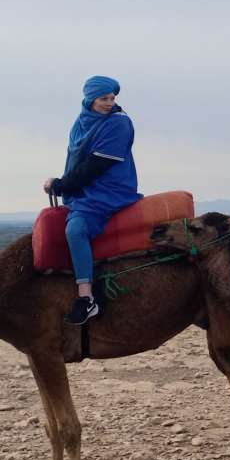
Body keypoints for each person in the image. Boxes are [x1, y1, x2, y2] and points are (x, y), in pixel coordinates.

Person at [44, 76, 143, 325]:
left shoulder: (119, 124)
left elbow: (96, 165)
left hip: (109, 190)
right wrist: (62, 183)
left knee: (75, 230)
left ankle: (86, 299)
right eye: (104, 99)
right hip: (84, 189)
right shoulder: (80, 124)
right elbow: (76, 163)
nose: (110, 103)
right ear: (90, 100)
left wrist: (61, 185)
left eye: (112, 98)